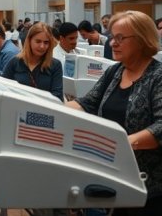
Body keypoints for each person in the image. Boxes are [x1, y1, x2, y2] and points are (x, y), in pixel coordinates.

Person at [66, 11, 162, 215]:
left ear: (143, 40)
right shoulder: (115, 71)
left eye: (120, 38)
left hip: (148, 185)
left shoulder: (158, 77)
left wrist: (120, 144)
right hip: (113, 175)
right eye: (112, 37)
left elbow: (160, 128)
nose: (112, 43)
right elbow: (87, 103)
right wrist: (49, 109)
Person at [3, 22, 63, 102]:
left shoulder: (55, 65)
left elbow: (58, 97)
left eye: (46, 42)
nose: (42, 46)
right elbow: (4, 90)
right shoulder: (15, 62)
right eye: (38, 41)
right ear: (29, 41)